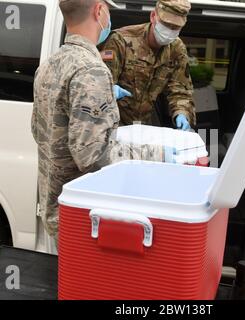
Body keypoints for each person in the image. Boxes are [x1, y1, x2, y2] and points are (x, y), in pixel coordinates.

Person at [31, 0, 176, 242]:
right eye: (107, 9)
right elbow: (92, 156)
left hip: (58, 211)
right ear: (99, 11)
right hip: (84, 220)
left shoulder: (49, 64)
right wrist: (158, 155)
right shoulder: (91, 70)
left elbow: (38, 131)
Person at [99, 0, 196, 130]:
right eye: (166, 24)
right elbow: (101, 86)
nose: (169, 31)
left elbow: (181, 91)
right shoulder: (121, 40)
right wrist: (110, 89)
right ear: (153, 16)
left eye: (175, 27)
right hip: (114, 122)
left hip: (144, 125)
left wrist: (182, 113)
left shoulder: (177, 49)